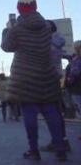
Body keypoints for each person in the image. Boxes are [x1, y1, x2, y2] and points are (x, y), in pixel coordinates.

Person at [1, 0, 66, 161]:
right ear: (35, 6)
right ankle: (60, 148)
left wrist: (7, 29)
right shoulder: (45, 26)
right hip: (46, 74)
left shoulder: (17, 28)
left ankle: (34, 150)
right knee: (51, 111)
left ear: (19, 9)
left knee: (29, 113)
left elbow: (7, 47)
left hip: (25, 77)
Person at [40, 21, 71, 152]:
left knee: (51, 111)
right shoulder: (55, 40)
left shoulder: (50, 41)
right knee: (54, 111)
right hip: (53, 77)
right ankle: (61, 140)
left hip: (49, 78)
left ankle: (59, 142)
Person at [65, 40, 81, 140]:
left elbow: (74, 73)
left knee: (80, 109)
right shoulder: (75, 58)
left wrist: (68, 81)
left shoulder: (77, 60)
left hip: (77, 88)